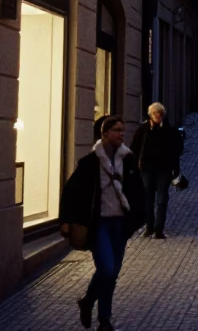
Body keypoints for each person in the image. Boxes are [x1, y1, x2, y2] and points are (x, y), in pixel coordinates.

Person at [59, 115, 144, 331]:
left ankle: (104, 319)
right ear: (104, 134)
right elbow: (70, 191)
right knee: (106, 269)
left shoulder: (128, 160)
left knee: (112, 273)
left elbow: (138, 192)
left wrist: (137, 219)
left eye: (123, 130)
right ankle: (88, 301)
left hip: (120, 225)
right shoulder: (90, 163)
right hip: (99, 225)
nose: (121, 134)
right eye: (116, 130)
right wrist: (67, 221)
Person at [129, 102, 183, 239]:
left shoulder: (170, 131)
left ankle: (159, 229)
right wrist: (134, 167)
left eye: (160, 115)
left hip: (164, 170)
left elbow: (177, 150)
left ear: (163, 115)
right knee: (148, 198)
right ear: (151, 115)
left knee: (162, 199)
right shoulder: (143, 130)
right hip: (146, 169)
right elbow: (134, 148)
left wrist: (175, 169)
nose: (158, 117)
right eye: (155, 115)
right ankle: (149, 226)